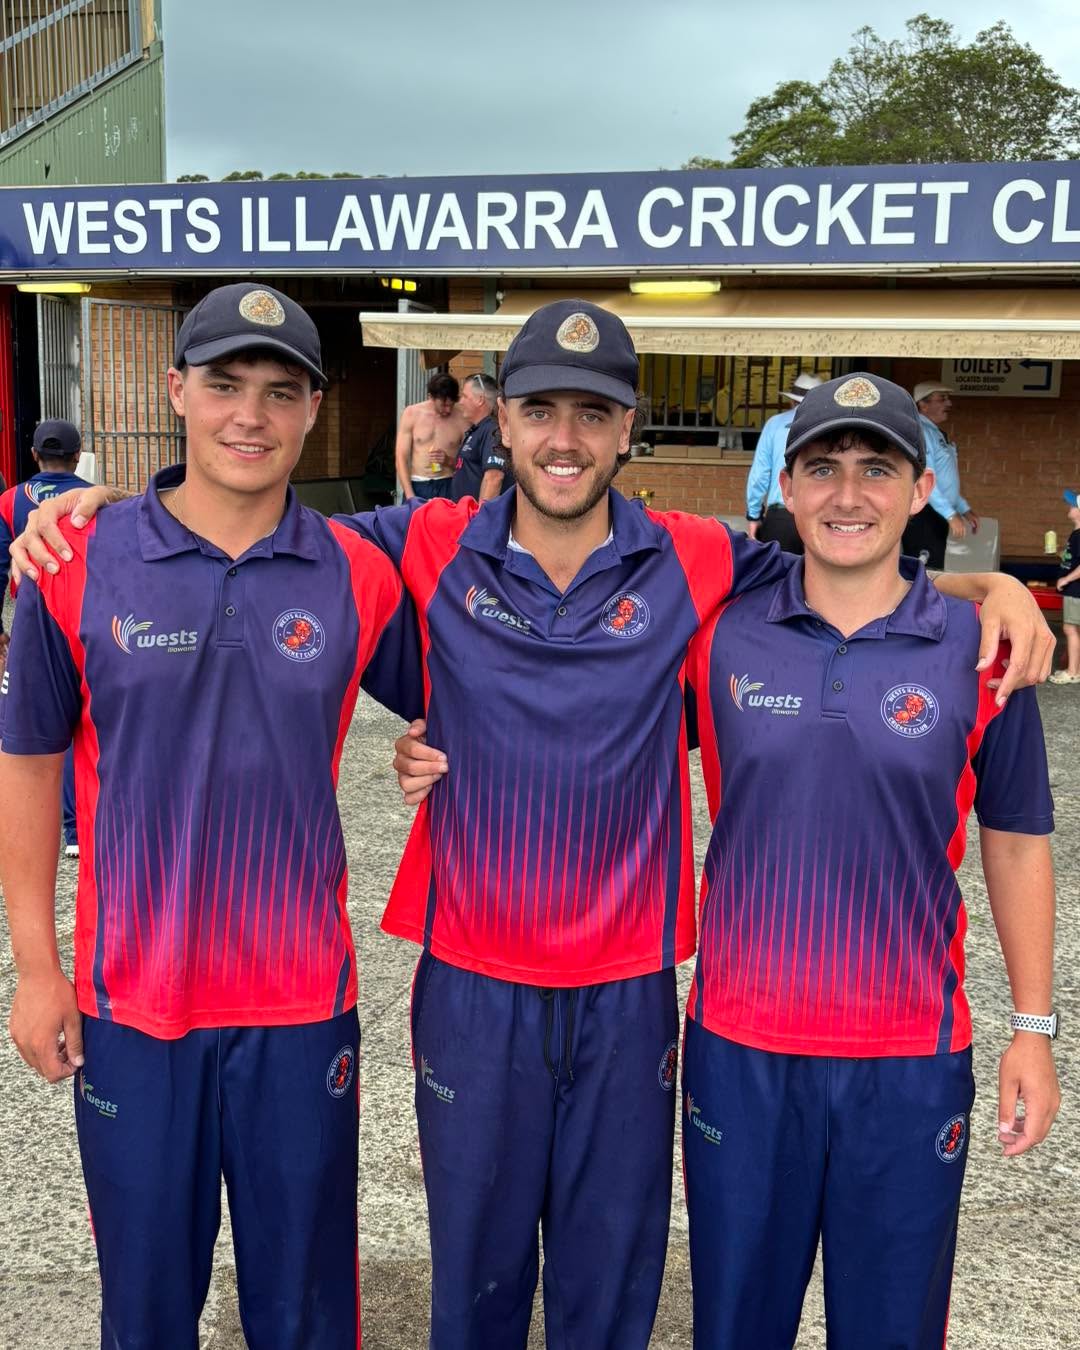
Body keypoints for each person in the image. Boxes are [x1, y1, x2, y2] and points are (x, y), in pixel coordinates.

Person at [11, 302, 1055, 1350]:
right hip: (469, 983)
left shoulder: (694, 561)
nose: (566, 437)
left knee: (608, 1293)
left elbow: (851, 576)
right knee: (475, 1288)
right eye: (541, 409)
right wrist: (82, 510)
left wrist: (992, 585)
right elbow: (234, 522)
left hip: (625, 993)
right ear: (496, 423)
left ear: (627, 428)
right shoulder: (415, 547)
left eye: (593, 413)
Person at [0, 283, 421, 1350]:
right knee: (145, 1306)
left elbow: (482, 692)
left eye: (281, 392)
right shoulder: (75, 561)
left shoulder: (359, 571)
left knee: (309, 1306)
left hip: (298, 1005)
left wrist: (436, 747)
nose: (250, 415)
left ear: (315, 410)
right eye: (225, 385)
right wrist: (38, 969)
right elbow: (28, 765)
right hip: (134, 1006)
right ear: (176, 390)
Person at [682, 373, 1059, 1349]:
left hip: (907, 1062)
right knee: (734, 1327)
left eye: (876, 469)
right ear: (789, 489)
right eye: (824, 469)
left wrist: (1034, 1029)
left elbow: (1017, 840)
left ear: (922, 486)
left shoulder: (983, 648)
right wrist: (437, 742)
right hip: (740, 1051)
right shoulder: (721, 630)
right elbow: (588, 712)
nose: (849, 495)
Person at [0, 419, 93, 857]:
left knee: (28, 729)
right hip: (84, 617)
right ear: (78, 456)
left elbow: (1, 567)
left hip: (32, 622)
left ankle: (40, 830)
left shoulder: (10, 500)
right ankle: (77, 830)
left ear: (34, 455)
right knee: (83, 721)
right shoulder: (90, 499)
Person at [901, 381, 978, 568]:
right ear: (923, 404)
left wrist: (963, 509)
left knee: (933, 567)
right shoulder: (922, 432)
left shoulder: (935, 433)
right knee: (924, 570)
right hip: (924, 514)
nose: (948, 404)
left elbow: (944, 480)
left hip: (936, 514)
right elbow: (924, 477)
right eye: (942, 399)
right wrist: (951, 514)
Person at [745, 371, 822, 552]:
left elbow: (760, 474)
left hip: (781, 516)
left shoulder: (775, 424)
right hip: (819, 517)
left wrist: (753, 515)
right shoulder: (829, 427)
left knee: (777, 577)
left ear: (792, 401)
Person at [395, 372, 469, 500]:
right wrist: (409, 494)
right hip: (418, 484)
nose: (448, 410)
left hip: (448, 483)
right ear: (431, 397)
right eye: (443, 405)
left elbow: (469, 462)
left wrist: (448, 460)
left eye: (451, 405)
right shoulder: (412, 414)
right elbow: (401, 457)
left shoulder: (462, 418)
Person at [451, 372, 510, 502]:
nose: (460, 402)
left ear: (480, 400)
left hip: (477, 519)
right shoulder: (480, 429)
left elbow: (494, 478)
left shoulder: (493, 430)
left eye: (465, 396)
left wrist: (481, 519)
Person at [1050, 488, 1080, 683]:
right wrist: (1060, 555)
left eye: (1073, 505)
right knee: (1073, 629)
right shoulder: (1075, 534)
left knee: (1070, 629)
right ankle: (1074, 669)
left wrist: (1065, 579)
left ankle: (1072, 672)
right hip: (1073, 589)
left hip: (1075, 590)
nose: (1069, 507)